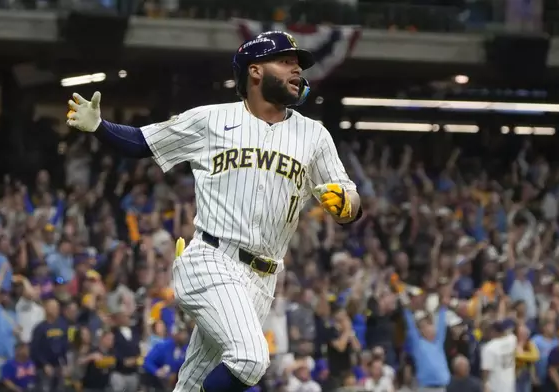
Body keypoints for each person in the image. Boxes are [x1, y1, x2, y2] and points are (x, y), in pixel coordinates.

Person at [65, 30, 362, 392]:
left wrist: (347, 206)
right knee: (251, 358)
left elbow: (350, 196)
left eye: (298, 64)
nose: (296, 70)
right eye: (285, 62)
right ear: (255, 71)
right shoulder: (211, 120)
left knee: (192, 384)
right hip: (212, 259)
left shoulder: (315, 135)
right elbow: (144, 142)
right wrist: (99, 126)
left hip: (264, 279)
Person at [481, 320, 518, 392]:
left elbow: (486, 370)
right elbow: (509, 333)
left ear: (493, 331)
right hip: (510, 385)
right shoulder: (512, 339)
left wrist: (484, 384)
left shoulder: (489, 347)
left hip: (495, 387)